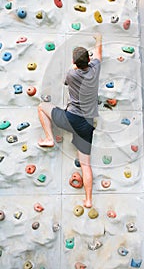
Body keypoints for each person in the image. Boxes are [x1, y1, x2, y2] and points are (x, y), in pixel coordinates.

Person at [37, 34, 102, 208]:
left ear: (75, 62)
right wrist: (98, 40)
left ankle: (49, 138)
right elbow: (99, 54)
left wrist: (74, 65)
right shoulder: (95, 69)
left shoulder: (71, 74)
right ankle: (88, 200)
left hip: (71, 118)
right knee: (85, 164)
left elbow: (66, 81)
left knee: (42, 107)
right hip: (86, 124)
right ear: (89, 59)